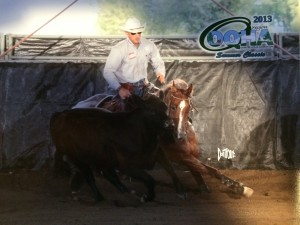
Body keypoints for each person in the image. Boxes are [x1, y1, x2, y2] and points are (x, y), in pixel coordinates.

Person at [103, 17, 166, 99]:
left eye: (139, 32)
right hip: (125, 88)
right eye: (133, 33)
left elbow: (157, 61)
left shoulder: (149, 45)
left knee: (162, 100)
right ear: (126, 33)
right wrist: (120, 89)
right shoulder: (119, 49)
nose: (137, 36)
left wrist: (160, 73)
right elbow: (108, 71)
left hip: (144, 86)